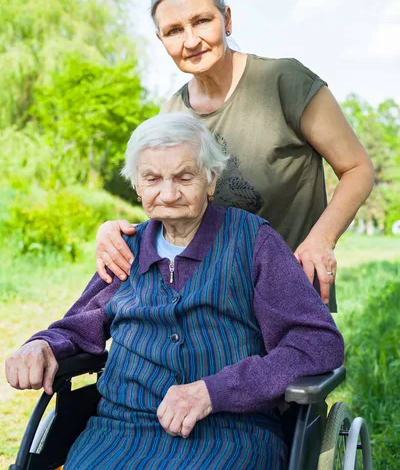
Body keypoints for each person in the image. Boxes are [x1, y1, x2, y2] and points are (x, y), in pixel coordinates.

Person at [6, 114, 344, 470]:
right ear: (137, 186)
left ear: (211, 180)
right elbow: (80, 325)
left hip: (229, 433)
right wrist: (41, 345)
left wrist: (214, 392)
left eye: (185, 177)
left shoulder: (253, 241)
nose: (168, 194)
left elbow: (317, 343)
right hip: (119, 433)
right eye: (152, 178)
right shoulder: (127, 249)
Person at [95, 0, 374, 311]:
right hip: (210, 302)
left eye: (202, 21)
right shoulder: (171, 115)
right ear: (161, 40)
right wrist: (116, 232)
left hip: (290, 292)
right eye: (174, 31)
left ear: (226, 19)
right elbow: (173, 208)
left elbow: (358, 168)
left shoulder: (285, 82)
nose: (191, 41)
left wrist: (321, 239)